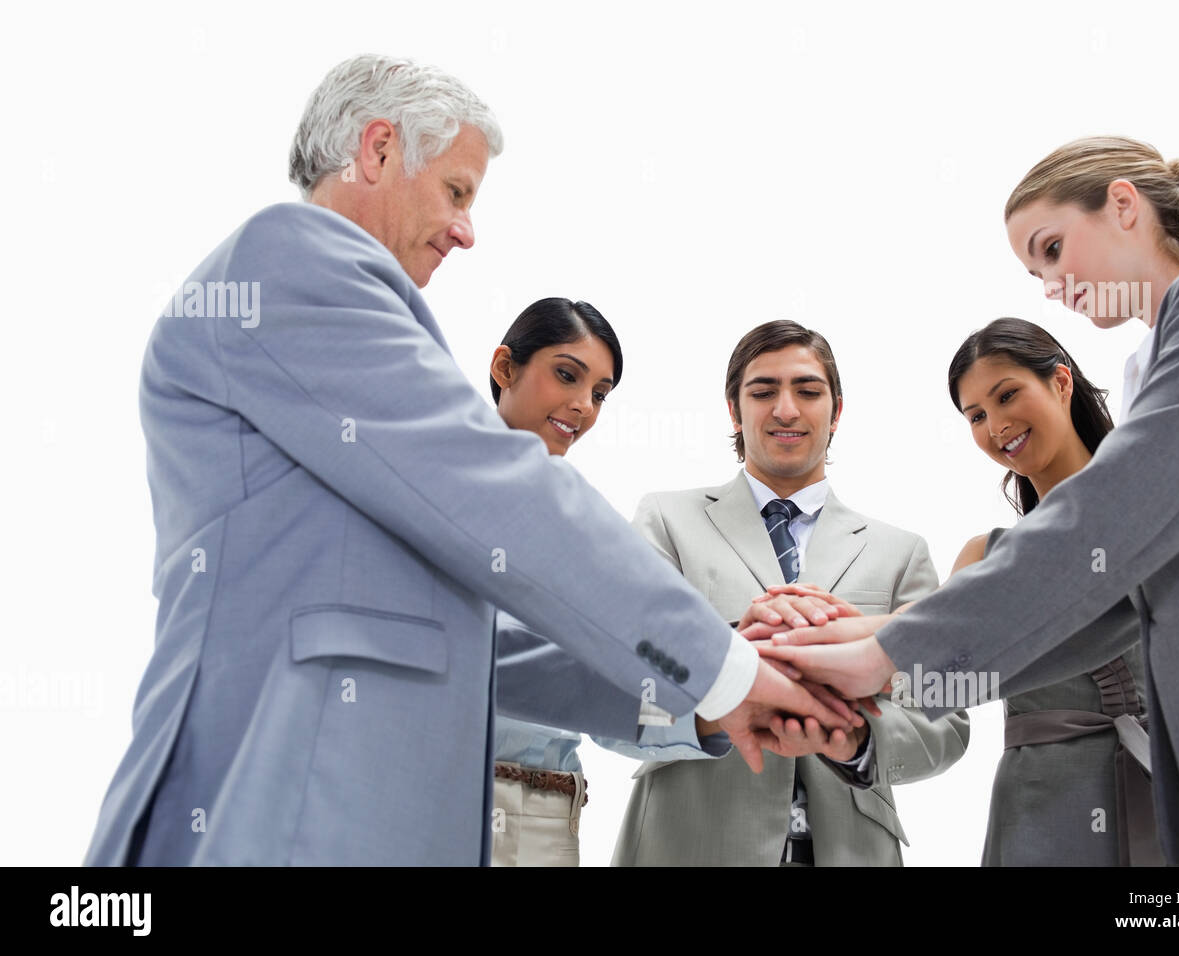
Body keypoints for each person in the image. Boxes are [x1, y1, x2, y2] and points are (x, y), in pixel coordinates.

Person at [82, 54, 851, 867]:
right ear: (377, 151)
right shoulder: (290, 258)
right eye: (456, 191)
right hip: (273, 807)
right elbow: (500, 491)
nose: (465, 230)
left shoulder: (350, 347)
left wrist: (701, 698)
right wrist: (723, 662)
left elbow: (481, 649)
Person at [758, 136, 1179, 865]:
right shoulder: (1153, 366)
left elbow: (1107, 520)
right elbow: (1111, 605)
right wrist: (875, 648)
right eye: (1033, 269)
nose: (1051, 283)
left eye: (1052, 248)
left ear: (1122, 204)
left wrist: (884, 650)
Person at [603, 320, 970, 866]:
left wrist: (853, 737)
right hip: (687, 842)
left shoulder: (902, 552)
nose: (786, 409)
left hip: (851, 850)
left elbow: (945, 718)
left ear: (836, 410)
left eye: (807, 390)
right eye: (763, 390)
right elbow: (615, 686)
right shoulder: (665, 521)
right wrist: (734, 653)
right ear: (734, 409)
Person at [949, 317, 1159, 866]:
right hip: (1038, 815)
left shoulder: (1164, 514)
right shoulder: (984, 557)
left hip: (1177, 787)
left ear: (1061, 383)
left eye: (1007, 395)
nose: (995, 424)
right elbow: (930, 662)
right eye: (976, 416)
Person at [487, 296, 622, 865]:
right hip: (443, 794)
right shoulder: (426, 482)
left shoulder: (586, 527)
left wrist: (733, 704)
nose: (582, 406)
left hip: (552, 821)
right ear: (505, 368)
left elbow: (613, 687)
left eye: (599, 393)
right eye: (567, 375)